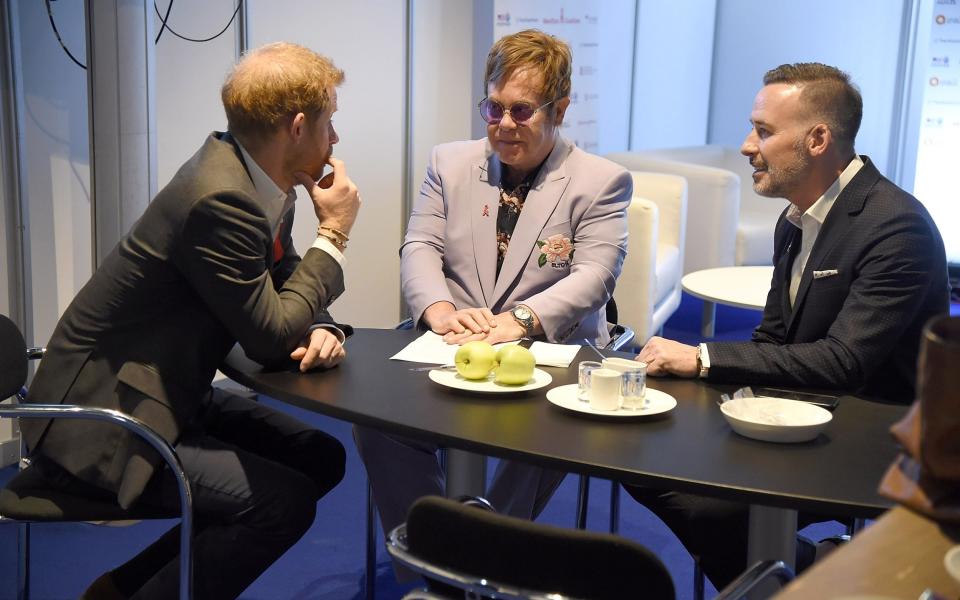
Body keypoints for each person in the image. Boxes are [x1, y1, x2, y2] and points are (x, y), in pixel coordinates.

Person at [21, 42, 360, 600]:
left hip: (164, 390)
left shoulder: (254, 173)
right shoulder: (221, 199)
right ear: (298, 126)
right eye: (331, 122)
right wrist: (337, 234)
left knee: (321, 458)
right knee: (283, 504)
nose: (336, 140)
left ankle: (122, 589)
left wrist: (319, 321)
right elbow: (269, 333)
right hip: (102, 419)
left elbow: (282, 269)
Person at [626, 62, 950, 589]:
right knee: (643, 463)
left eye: (764, 131)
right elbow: (774, 340)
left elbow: (844, 362)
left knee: (712, 513)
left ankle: (801, 577)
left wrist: (703, 357)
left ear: (818, 138)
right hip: (799, 410)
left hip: (868, 435)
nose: (747, 145)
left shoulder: (897, 227)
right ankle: (804, 570)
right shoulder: (795, 217)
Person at [354, 29, 631, 578]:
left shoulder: (601, 181)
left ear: (561, 108)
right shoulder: (450, 162)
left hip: (551, 351)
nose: (503, 125)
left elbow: (595, 277)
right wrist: (436, 310)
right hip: (449, 340)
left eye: (522, 111)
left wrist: (519, 321)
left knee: (552, 428)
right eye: (493, 107)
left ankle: (481, 564)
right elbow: (420, 245)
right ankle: (430, 565)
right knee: (377, 424)